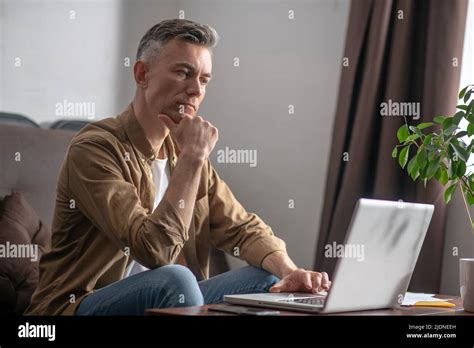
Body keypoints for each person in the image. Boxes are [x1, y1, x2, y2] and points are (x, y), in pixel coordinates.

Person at [26, 19, 331, 316]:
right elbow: (154, 250)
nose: (196, 90)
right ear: (142, 74)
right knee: (177, 278)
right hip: (77, 305)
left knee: (267, 279)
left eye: (204, 79)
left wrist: (289, 271)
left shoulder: (182, 153)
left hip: (164, 299)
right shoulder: (96, 149)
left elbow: (241, 229)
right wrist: (193, 158)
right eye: (184, 73)